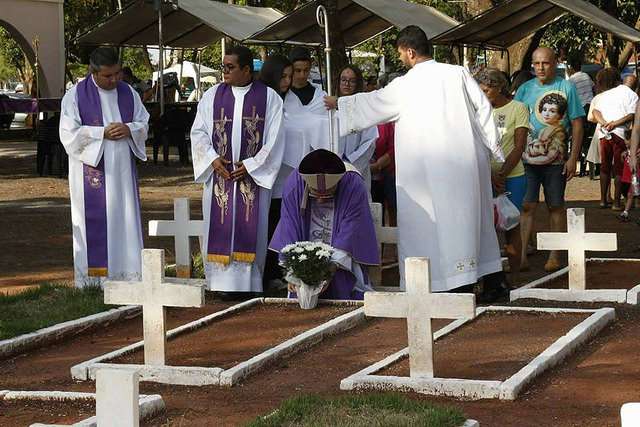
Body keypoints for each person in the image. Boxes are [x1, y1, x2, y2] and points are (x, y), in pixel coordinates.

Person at [324, 26, 504, 294]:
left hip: (428, 170)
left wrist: (339, 102)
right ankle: (491, 282)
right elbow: (484, 109)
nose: (401, 59)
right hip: (466, 162)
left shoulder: (406, 84)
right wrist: (492, 151)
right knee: (469, 220)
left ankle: (449, 284)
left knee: (435, 224)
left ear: (410, 51)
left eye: (400, 54)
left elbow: (374, 103)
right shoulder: (457, 73)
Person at [190, 45, 285, 298]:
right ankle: (219, 283)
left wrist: (251, 166)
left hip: (250, 177)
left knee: (250, 228)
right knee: (219, 225)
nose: (225, 71)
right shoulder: (212, 96)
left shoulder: (269, 98)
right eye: (224, 66)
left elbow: (275, 140)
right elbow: (198, 133)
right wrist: (212, 160)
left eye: (230, 67)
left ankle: (248, 284)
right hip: (220, 175)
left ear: (246, 69)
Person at [59, 47, 149, 287]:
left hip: (122, 174)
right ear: (93, 72)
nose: (114, 80)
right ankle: (93, 282)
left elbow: (144, 122)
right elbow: (68, 134)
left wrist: (130, 129)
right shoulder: (76, 95)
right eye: (108, 76)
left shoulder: (129, 92)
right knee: (93, 221)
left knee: (125, 217)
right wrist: (102, 133)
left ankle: (129, 275)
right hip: (92, 172)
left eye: (117, 74)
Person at [270, 149, 379, 300]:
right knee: (299, 291)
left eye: (328, 193)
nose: (320, 200)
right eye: (315, 192)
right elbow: (289, 228)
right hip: (304, 251)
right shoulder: (295, 182)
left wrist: (329, 270)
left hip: (343, 259)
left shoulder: (353, 184)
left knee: (341, 284)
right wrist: (293, 271)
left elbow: (350, 233)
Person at [514, 47, 584, 272]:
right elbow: (517, 122)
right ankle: (522, 255)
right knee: (526, 206)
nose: (540, 68)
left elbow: (577, 123)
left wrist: (573, 157)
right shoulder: (524, 89)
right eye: (536, 64)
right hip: (527, 161)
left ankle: (554, 255)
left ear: (555, 63)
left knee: (555, 206)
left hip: (556, 161)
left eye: (545, 63)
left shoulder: (567, 87)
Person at [475, 69, 528, 282]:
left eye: (487, 90)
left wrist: (502, 174)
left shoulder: (518, 108)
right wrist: (490, 175)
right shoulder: (478, 111)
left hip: (513, 176)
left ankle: (515, 276)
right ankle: (491, 277)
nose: (483, 95)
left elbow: (519, 145)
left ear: (499, 88)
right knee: (486, 227)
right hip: (484, 176)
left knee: (511, 224)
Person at [258, 54, 293, 289]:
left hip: (285, 174)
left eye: (290, 76)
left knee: (278, 224)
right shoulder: (264, 98)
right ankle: (265, 273)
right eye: (284, 76)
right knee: (266, 224)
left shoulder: (284, 99)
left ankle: (275, 271)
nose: (288, 81)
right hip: (263, 171)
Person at [589, 67, 637, 211]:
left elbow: (595, 111)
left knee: (604, 167)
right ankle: (616, 202)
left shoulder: (604, 95)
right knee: (618, 169)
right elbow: (632, 115)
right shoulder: (631, 94)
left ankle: (603, 200)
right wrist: (615, 123)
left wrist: (604, 123)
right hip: (620, 134)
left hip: (604, 134)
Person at [336, 65, 378, 192]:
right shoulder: (330, 110)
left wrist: (350, 163)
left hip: (357, 169)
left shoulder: (364, 110)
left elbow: (370, 142)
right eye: (343, 80)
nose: (347, 84)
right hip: (333, 169)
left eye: (352, 81)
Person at [567, 58, 595, 177]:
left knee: (579, 135)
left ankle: (580, 160)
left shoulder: (571, 80)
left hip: (580, 110)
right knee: (590, 138)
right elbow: (593, 88)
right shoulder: (587, 76)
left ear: (571, 68)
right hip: (590, 109)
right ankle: (592, 164)